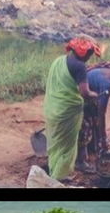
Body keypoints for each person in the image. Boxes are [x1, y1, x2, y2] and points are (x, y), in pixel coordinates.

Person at [42, 35, 102, 180]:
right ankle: (57, 177)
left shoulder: (59, 61)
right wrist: (95, 95)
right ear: (85, 52)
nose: (90, 57)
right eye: (90, 53)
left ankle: (55, 172)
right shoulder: (80, 66)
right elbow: (84, 93)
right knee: (67, 146)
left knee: (56, 143)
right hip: (67, 112)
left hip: (53, 109)